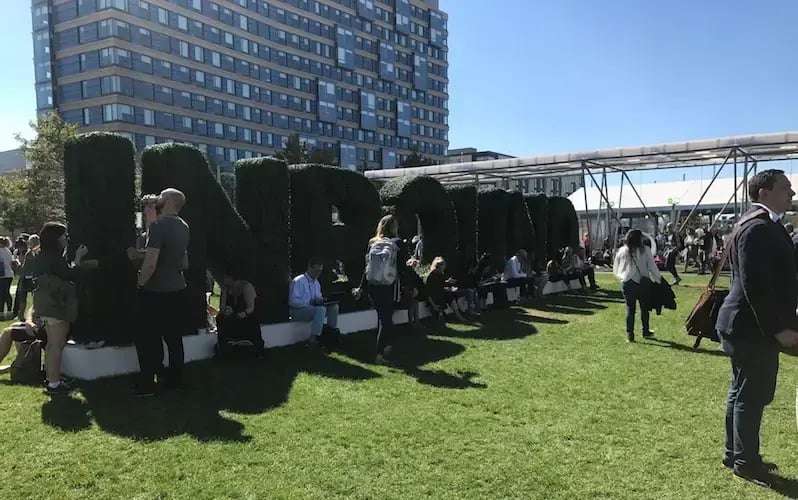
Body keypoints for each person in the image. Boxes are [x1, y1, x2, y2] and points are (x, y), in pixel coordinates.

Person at [715, 169, 798, 487]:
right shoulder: (757, 228)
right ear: (764, 192)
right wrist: (777, 329)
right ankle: (745, 462)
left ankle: (735, 454)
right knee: (751, 396)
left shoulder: (758, 224)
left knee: (740, 394)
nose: (791, 193)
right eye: (785, 188)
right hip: (752, 328)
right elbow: (755, 286)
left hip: (746, 326)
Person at [134, 188, 190, 397]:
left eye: (159, 197)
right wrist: (148, 213)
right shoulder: (183, 226)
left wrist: (140, 284)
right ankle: (175, 380)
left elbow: (150, 262)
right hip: (176, 289)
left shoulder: (159, 226)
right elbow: (149, 236)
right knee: (173, 337)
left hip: (155, 290)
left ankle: (147, 383)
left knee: (148, 338)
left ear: (166, 201)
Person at [31, 222, 97, 395]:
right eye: (64, 236)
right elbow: (70, 274)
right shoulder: (53, 257)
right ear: (56, 238)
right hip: (55, 305)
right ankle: (54, 383)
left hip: (45, 304)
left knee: (53, 345)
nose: (66, 238)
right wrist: (78, 258)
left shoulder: (41, 255)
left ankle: (53, 378)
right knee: (56, 345)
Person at [353, 214, 405, 365]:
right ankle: (380, 354)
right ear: (394, 227)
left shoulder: (372, 242)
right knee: (386, 320)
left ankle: (387, 348)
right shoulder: (397, 243)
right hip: (389, 285)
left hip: (373, 286)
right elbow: (403, 269)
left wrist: (361, 288)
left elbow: (367, 268)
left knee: (385, 318)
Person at [613, 229, 663, 343]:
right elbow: (651, 266)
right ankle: (645, 331)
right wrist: (658, 279)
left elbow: (616, 267)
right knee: (645, 309)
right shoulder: (645, 250)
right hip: (642, 283)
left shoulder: (622, 250)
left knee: (630, 309)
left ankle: (630, 334)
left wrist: (622, 277)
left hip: (627, 283)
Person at [289, 257, 339, 343]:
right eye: (316, 270)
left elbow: (318, 298)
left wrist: (322, 301)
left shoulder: (316, 282)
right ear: (309, 268)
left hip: (312, 309)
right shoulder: (298, 281)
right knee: (320, 310)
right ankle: (314, 339)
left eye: (320, 271)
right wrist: (310, 302)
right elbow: (293, 302)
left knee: (334, 307)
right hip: (297, 312)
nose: (318, 273)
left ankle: (332, 334)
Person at [216, 273, 260, 348]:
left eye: (226, 277)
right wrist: (225, 310)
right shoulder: (225, 289)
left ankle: (251, 343)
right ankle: (226, 343)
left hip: (245, 314)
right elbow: (222, 307)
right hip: (232, 314)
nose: (223, 279)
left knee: (250, 319)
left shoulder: (246, 286)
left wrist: (244, 313)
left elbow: (251, 308)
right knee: (220, 317)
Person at [424, 257, 467, 322]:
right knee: (437, 318)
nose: (443, 270)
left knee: (451, 297)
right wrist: (433, 305)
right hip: (433, 298)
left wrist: (449, 283)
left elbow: (443, 284)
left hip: (440, 294)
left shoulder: (440, 274)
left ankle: (459, 316)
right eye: (441, 269)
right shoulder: (430, 277)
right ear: (437, 267)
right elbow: (427, 293)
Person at [13, 234, 40, 321]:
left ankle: (21, 315)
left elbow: (25, 267)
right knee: (36, 297)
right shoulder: (40, 252)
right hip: (36, 276)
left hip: (27, 277)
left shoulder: (29, 253)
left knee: (22, 296)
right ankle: (35, 314)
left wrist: (17, 265)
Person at [0, 237, 16, 319]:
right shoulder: (8, 251)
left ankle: (1, 311)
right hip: (9, 274)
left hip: (2, 275)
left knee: (2, 294)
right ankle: (9, 311)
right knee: (7, 292)